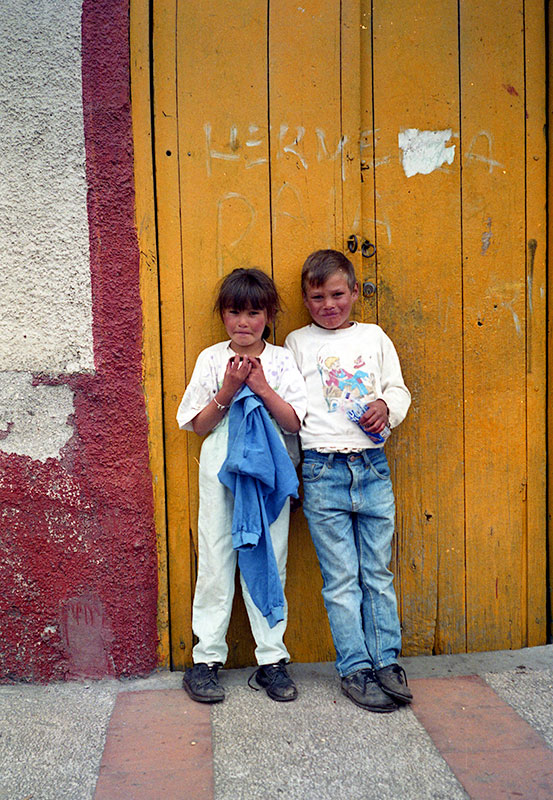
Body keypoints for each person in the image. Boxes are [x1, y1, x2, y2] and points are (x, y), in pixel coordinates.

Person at [284, 249, 412, 713]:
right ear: (305, 298)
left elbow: (397, 389)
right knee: (341, 579)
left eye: (338, 294)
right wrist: (294, 472)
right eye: (317, 296)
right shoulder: (297, 343)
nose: (329, 304)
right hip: (322, 470)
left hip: (372, 466)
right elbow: (292, 412)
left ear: (355, 293)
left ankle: (386, 661)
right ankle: (354, 667)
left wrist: (387, 408)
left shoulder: (375, 337)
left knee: (376, 572)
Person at [177, 268, 307, 704]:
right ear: (223, 315)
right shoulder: (213, 360)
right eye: (235, 312)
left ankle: (272, 659)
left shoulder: (282, 360)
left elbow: (293, 422)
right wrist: (229, 389)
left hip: (268, 475)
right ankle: (206, 658)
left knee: (270, 559)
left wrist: (261, 386)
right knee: (216, 560)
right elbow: (197, 425)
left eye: (254, 312)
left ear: (269, 315)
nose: (244, 323)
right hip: (220, 473)